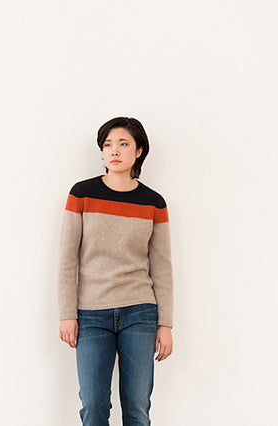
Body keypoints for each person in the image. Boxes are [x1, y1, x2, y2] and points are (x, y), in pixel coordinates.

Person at [58, 117, 174, 426]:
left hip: (140, 312)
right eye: (108, 145)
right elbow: (67, 258)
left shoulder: (154, 203)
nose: (114, 151)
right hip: (91, 314)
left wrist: (165, 324)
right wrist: (67, 314)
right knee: (94, 406)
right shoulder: (81, 194)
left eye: (123, 144)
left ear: (139, 151)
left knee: (137, 409)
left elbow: (162, 267)